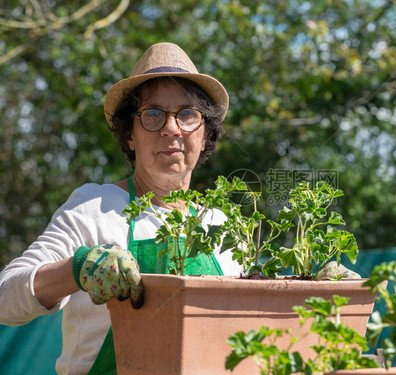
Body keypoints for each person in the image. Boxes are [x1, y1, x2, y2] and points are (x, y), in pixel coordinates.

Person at [0, 42, 243, 375]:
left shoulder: (221, 223)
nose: (172, 128)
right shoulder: (95, 207)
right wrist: (76, 269)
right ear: (130, 135)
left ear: (204, 135)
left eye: (187, 114)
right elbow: (5, 298)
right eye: (153, 114)